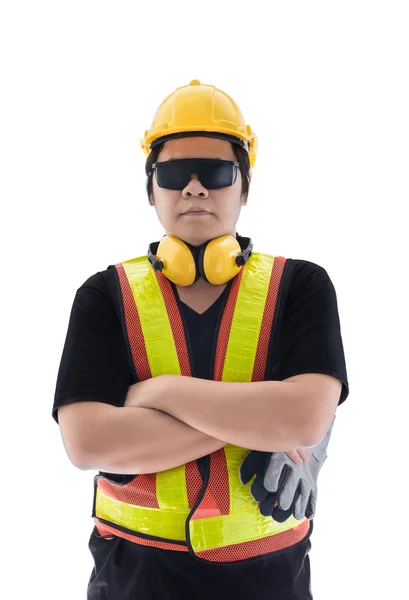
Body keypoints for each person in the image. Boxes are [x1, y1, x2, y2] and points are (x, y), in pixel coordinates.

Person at [52, 79, 349, 600]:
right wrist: (261, 424)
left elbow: (305, 420)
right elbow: (87, 443)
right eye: (172, 174)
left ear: (244, 185)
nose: (194, 189)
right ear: (150, 189)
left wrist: (156, 393)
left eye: (215, 172)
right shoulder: (105, 295)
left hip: (270, 580)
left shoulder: (301, 286)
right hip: (133, 580)